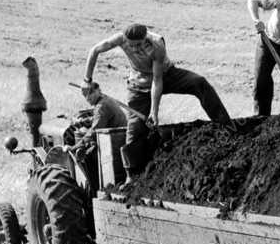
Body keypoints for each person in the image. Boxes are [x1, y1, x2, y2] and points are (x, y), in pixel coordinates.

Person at [83, 23, 233, 178]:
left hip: (166, 75)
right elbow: (95, 50)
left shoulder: (156, 44)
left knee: (199, 83)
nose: (135, 49)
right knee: (135, 127)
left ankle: (227, 127)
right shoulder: (120, 38)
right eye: (131, 45)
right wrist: (87, 79)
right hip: (139, 85)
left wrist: (154, 112)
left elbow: (157, 80)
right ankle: (131, 175)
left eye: (139, 45)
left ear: (145, 38)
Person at [71, 80, 128, 150]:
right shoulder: (106, 100)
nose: (87, 98)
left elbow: (94, 131)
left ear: (97, 91)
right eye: (84, 95)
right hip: (120, 136)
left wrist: (75, 147)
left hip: (115, 142)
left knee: (85, 142)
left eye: (90, 94)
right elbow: (98, 118)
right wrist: (82, 121)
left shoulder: (101, 106)